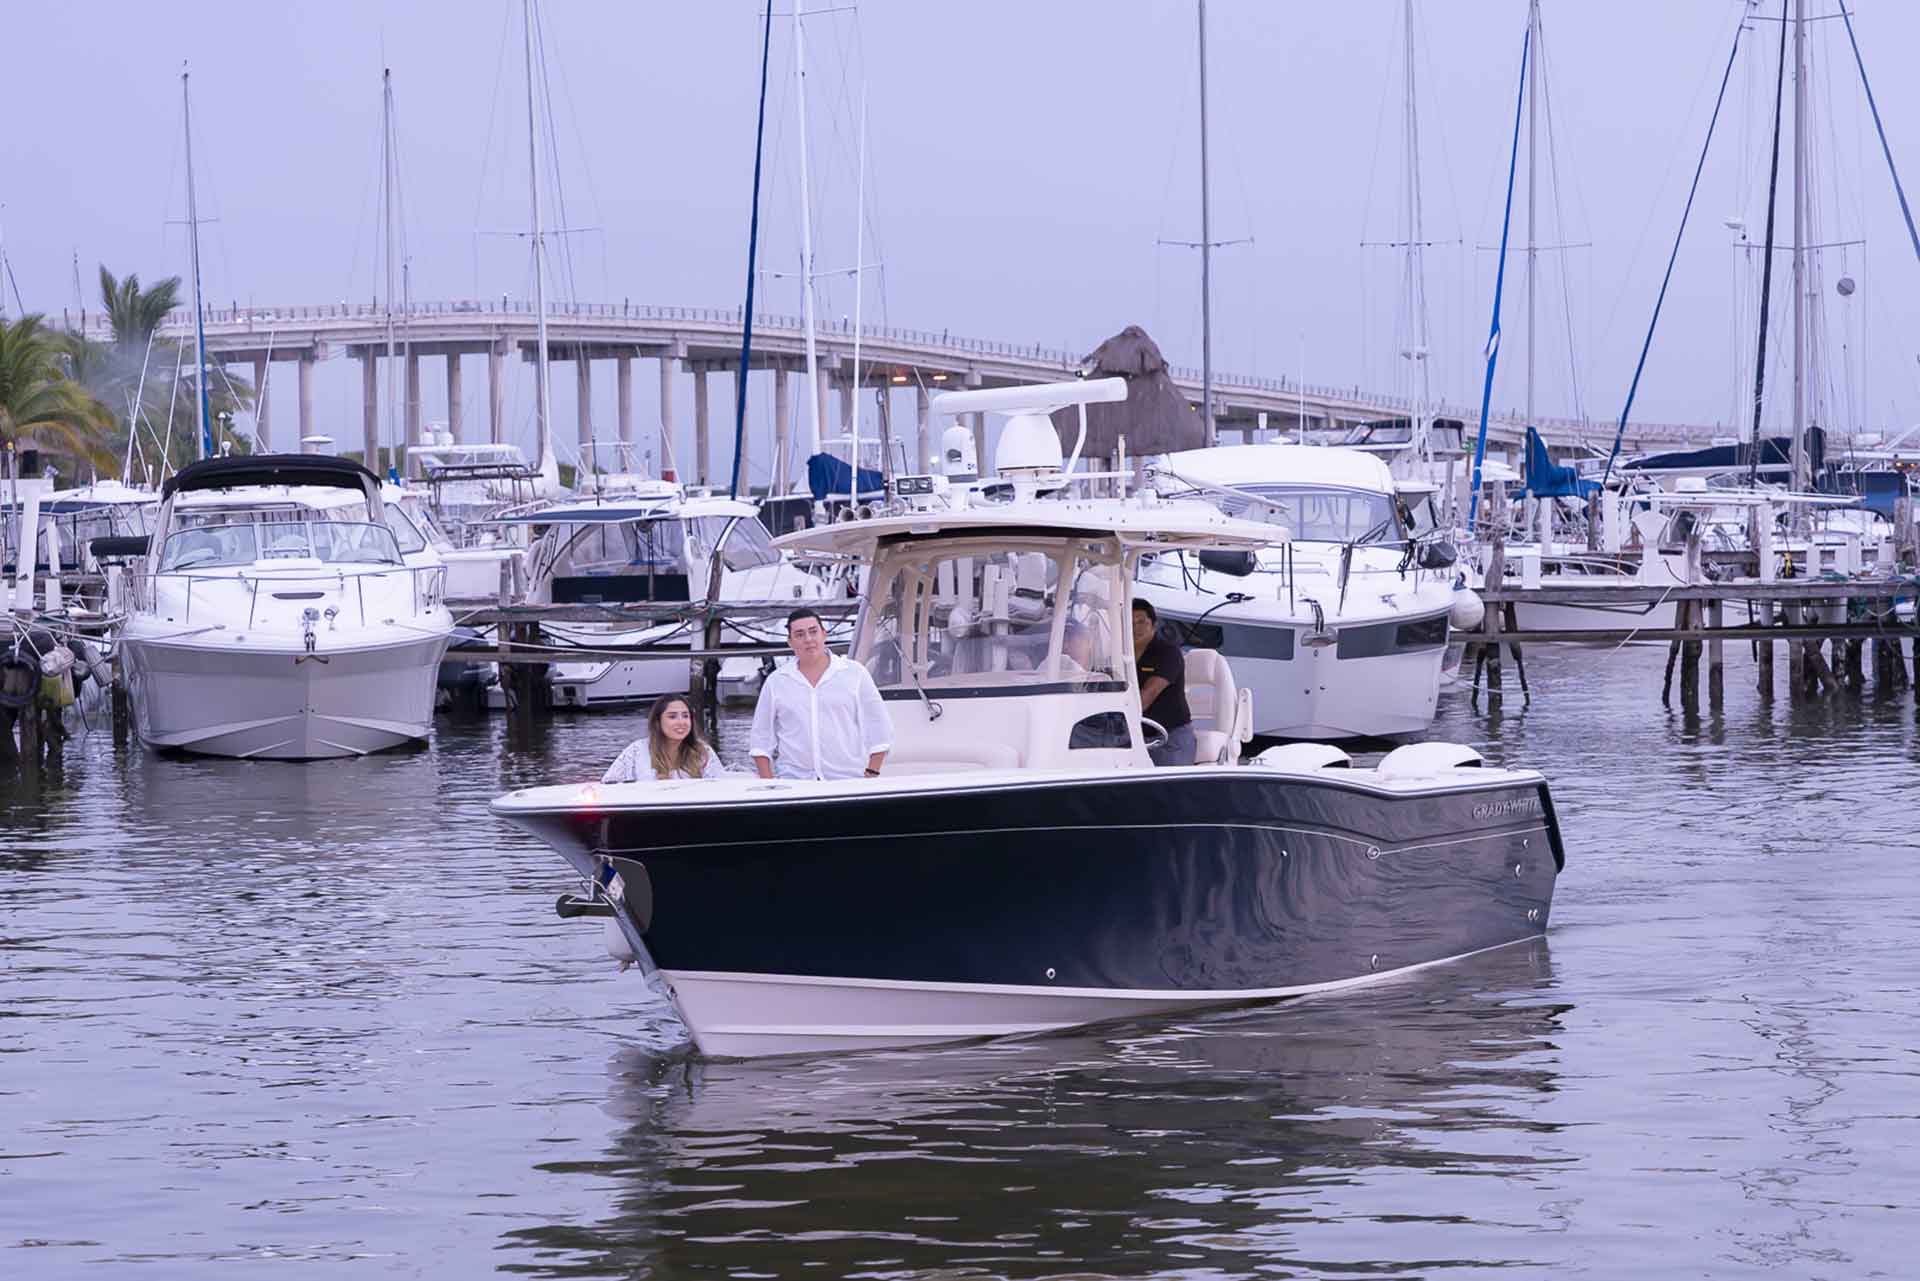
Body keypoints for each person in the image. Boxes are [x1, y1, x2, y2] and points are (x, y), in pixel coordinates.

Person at [750, 607, 892, 780]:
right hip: (794, 782)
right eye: (800, 634)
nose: (808, 639)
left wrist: (872, 773)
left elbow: (879, 727)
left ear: (824, 634)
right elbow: (760, 739)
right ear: (790, 642)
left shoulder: (855, 674)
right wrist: (769, 784)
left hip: (848, 780)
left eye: (813, 631)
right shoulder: (776, 682)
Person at [603, 693, 735, 782]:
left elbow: (721, 786)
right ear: (657, 722)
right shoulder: (636, 751)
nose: (681, 722)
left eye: (685, 716)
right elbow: (609, 784)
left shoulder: (703, 751)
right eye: (672, 716)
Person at [1131, 598, 1194, 766]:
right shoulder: (1120, 656)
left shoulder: (1168, 653)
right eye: (1129, 623)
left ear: (1154, 624)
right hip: (1135, 736)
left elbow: (1145, 699)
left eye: (1141, 622)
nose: (1135, 628)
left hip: (1170, 739)